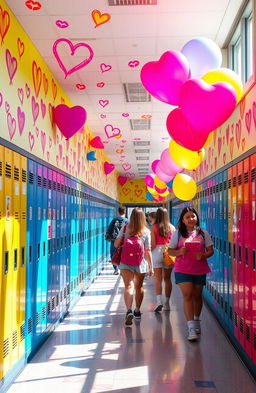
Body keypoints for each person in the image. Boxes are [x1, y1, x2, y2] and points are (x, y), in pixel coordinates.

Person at [168, 207, 214, 341]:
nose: (190, 219)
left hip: (199, 268)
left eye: (193, 216)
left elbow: (211, 250)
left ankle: (196, 320)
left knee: (197, 295)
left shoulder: (203, 233)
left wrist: (203, 255)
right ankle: (191, 328)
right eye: (187, 217)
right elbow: (170, 251)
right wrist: (179, 252)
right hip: (182, 268)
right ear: (182, 220)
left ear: (196, 218)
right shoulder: (177, 234)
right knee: (188, 294)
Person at [114, 207, 154, 325]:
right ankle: (137, 310)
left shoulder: (125, 228)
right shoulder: (146, 231)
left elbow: (116, 244)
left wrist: (122, 236)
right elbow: (148, 250)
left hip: (125, 262)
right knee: (139, 287)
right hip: (140, 262)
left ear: (131, 217)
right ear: (143, 218)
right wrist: (151, 267)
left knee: (128, 286)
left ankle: (128, 311)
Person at [151, 207, 176, 312]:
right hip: (168, 253)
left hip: (157, 252)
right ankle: (167, 302)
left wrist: (148, 254)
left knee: (158, 279)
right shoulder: (172, 227)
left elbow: (152, 244)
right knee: (167, 279)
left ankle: (159, 302)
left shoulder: (154, 227)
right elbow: (174, 244)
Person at [106, 206, 128, 275]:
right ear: (125, 212)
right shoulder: (127, 221)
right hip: (124, 241)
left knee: (114, 254)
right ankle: (122, 269)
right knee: (123, 254)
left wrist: (108, 238)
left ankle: (116, 269)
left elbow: (109, 231)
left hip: (114, 240)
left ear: (118, 212)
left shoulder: (114, 220)